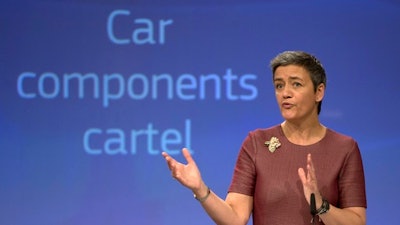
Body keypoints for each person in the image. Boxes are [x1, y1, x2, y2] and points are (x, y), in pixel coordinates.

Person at [162, 51, 367, 225]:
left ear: (319, 92)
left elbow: (357, 221)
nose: (285, 93)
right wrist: (200, 189)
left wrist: (321, 205)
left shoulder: (344, 148)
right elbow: (235, 218)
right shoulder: (257, 143)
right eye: (279, 85)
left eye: (296, 84)